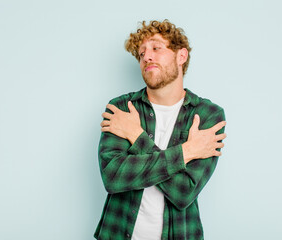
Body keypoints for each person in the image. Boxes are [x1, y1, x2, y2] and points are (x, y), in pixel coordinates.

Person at [94, 19, 227, 240]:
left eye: (156, 48)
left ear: (181, 56)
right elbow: (113, 177)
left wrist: (136, 136)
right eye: (141, 53)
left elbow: (184, 192)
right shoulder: (121, 109)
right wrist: (187, 152)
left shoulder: (207, 114)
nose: (147, 56)